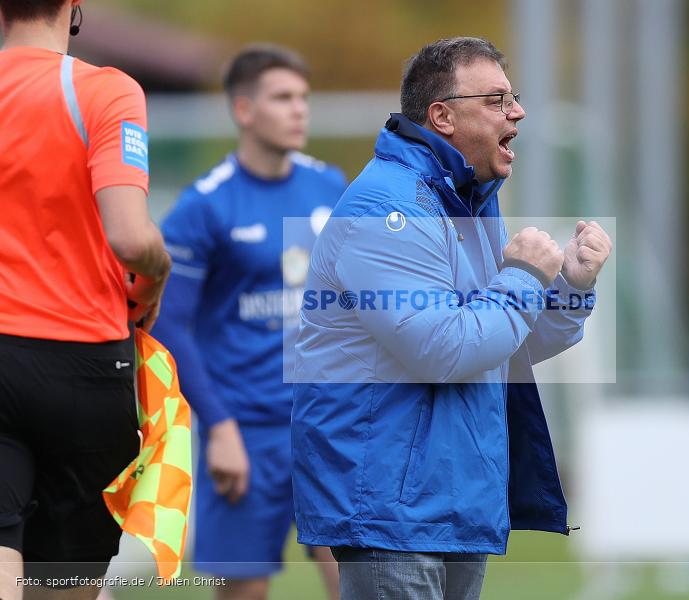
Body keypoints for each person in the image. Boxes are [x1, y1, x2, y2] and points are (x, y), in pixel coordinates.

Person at [291, 36, 613, 600]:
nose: (517, 113)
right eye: (495, 100)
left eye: (513, 98)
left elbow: (498, 343)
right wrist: (522, 278)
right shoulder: (387, 208)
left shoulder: (463, 199)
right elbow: (445, 349)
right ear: (441, 116)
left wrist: (569, 287)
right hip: (392, 507)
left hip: (451, 499)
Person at [152, 45, 344, 600]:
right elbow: (170, 326)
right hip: (246, 435)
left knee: (363, 585)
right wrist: (220, 428)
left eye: (303, 98)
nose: (299, 110)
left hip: (327, 427)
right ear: (244, 110)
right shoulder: (204, 206)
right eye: (283, 98)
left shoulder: (330, 186)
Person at [0, 1, 171, 599]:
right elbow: (130, 238)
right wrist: (158, 272)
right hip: (84, 362)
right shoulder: (105, 91)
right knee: (64, 581)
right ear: (75, 6)